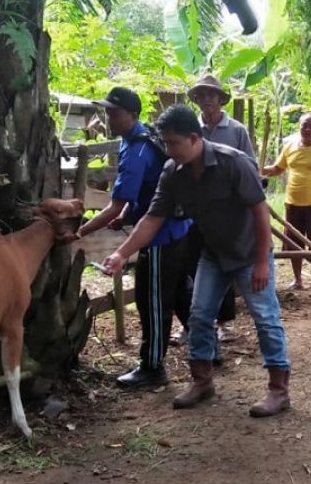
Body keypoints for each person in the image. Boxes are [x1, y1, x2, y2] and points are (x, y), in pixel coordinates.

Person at [101, 105, 293, 418]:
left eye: (173, 143)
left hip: (248, 253)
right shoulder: (172, 172)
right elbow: (153, 218)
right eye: (164, 142)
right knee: (200, 314)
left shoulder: (234, 163)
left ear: (194, 138)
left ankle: (278, 390)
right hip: (213, 253)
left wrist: (261, 262)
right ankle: (202, 381)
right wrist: (122, 253)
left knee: (265, 317)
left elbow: (260, 213)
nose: (168, 149)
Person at [78, 87, 192, 388]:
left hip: (158, 234)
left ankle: (153, 366)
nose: (109, 117)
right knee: (180, 292)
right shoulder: (146, 138)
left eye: (114, 113)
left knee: (152, 301)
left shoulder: (137, 149)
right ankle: (207, 348)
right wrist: (126, 216)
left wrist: (81, 231)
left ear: (133, 115)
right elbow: (141, 194)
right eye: (107, 111)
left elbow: (116, 203)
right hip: (179, 227)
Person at [188, 74, 253, 343]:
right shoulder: (192, 129)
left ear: (220, 99)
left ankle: (224, 322)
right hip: (196, 208)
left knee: (225, 261)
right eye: (202, 96)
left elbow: (251, 165)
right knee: (195, 263)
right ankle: (193, 322)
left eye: (211, 95)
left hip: (228, 210)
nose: (206, 100)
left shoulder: (236, 130)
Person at [261, 111, 311, 290]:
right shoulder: (290, 147)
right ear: (299, 127)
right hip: (293, 204)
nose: (307, 129)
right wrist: (260, 169)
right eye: (304, 125)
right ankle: (298, 279)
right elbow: (278, 168)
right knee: (294, 243)